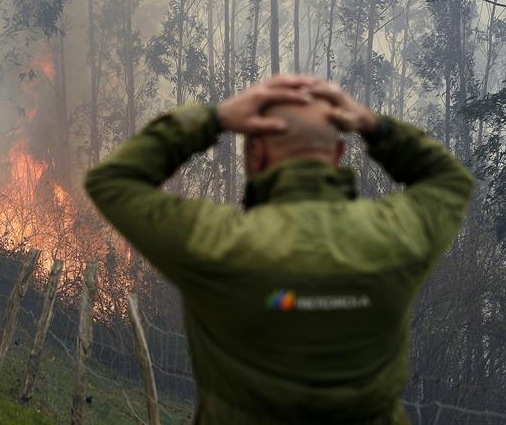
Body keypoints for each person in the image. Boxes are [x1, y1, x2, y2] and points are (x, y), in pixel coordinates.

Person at [84, 75, 474, 424]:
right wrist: (376, 126)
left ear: (255, 155)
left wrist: (213, 118)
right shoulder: (396, 236)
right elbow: (450, 181)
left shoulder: (215, 241)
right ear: (338, 156)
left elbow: (113, 182)